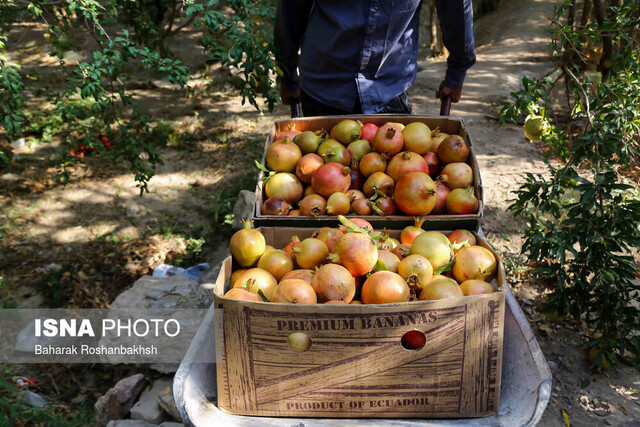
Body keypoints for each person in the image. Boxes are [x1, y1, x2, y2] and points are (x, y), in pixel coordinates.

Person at [274, 0, 476, 116]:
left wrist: (457, 71)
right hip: (322, 86)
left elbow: (456, 8)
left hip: (388, 90)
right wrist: (288, 73)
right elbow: (291, 10)